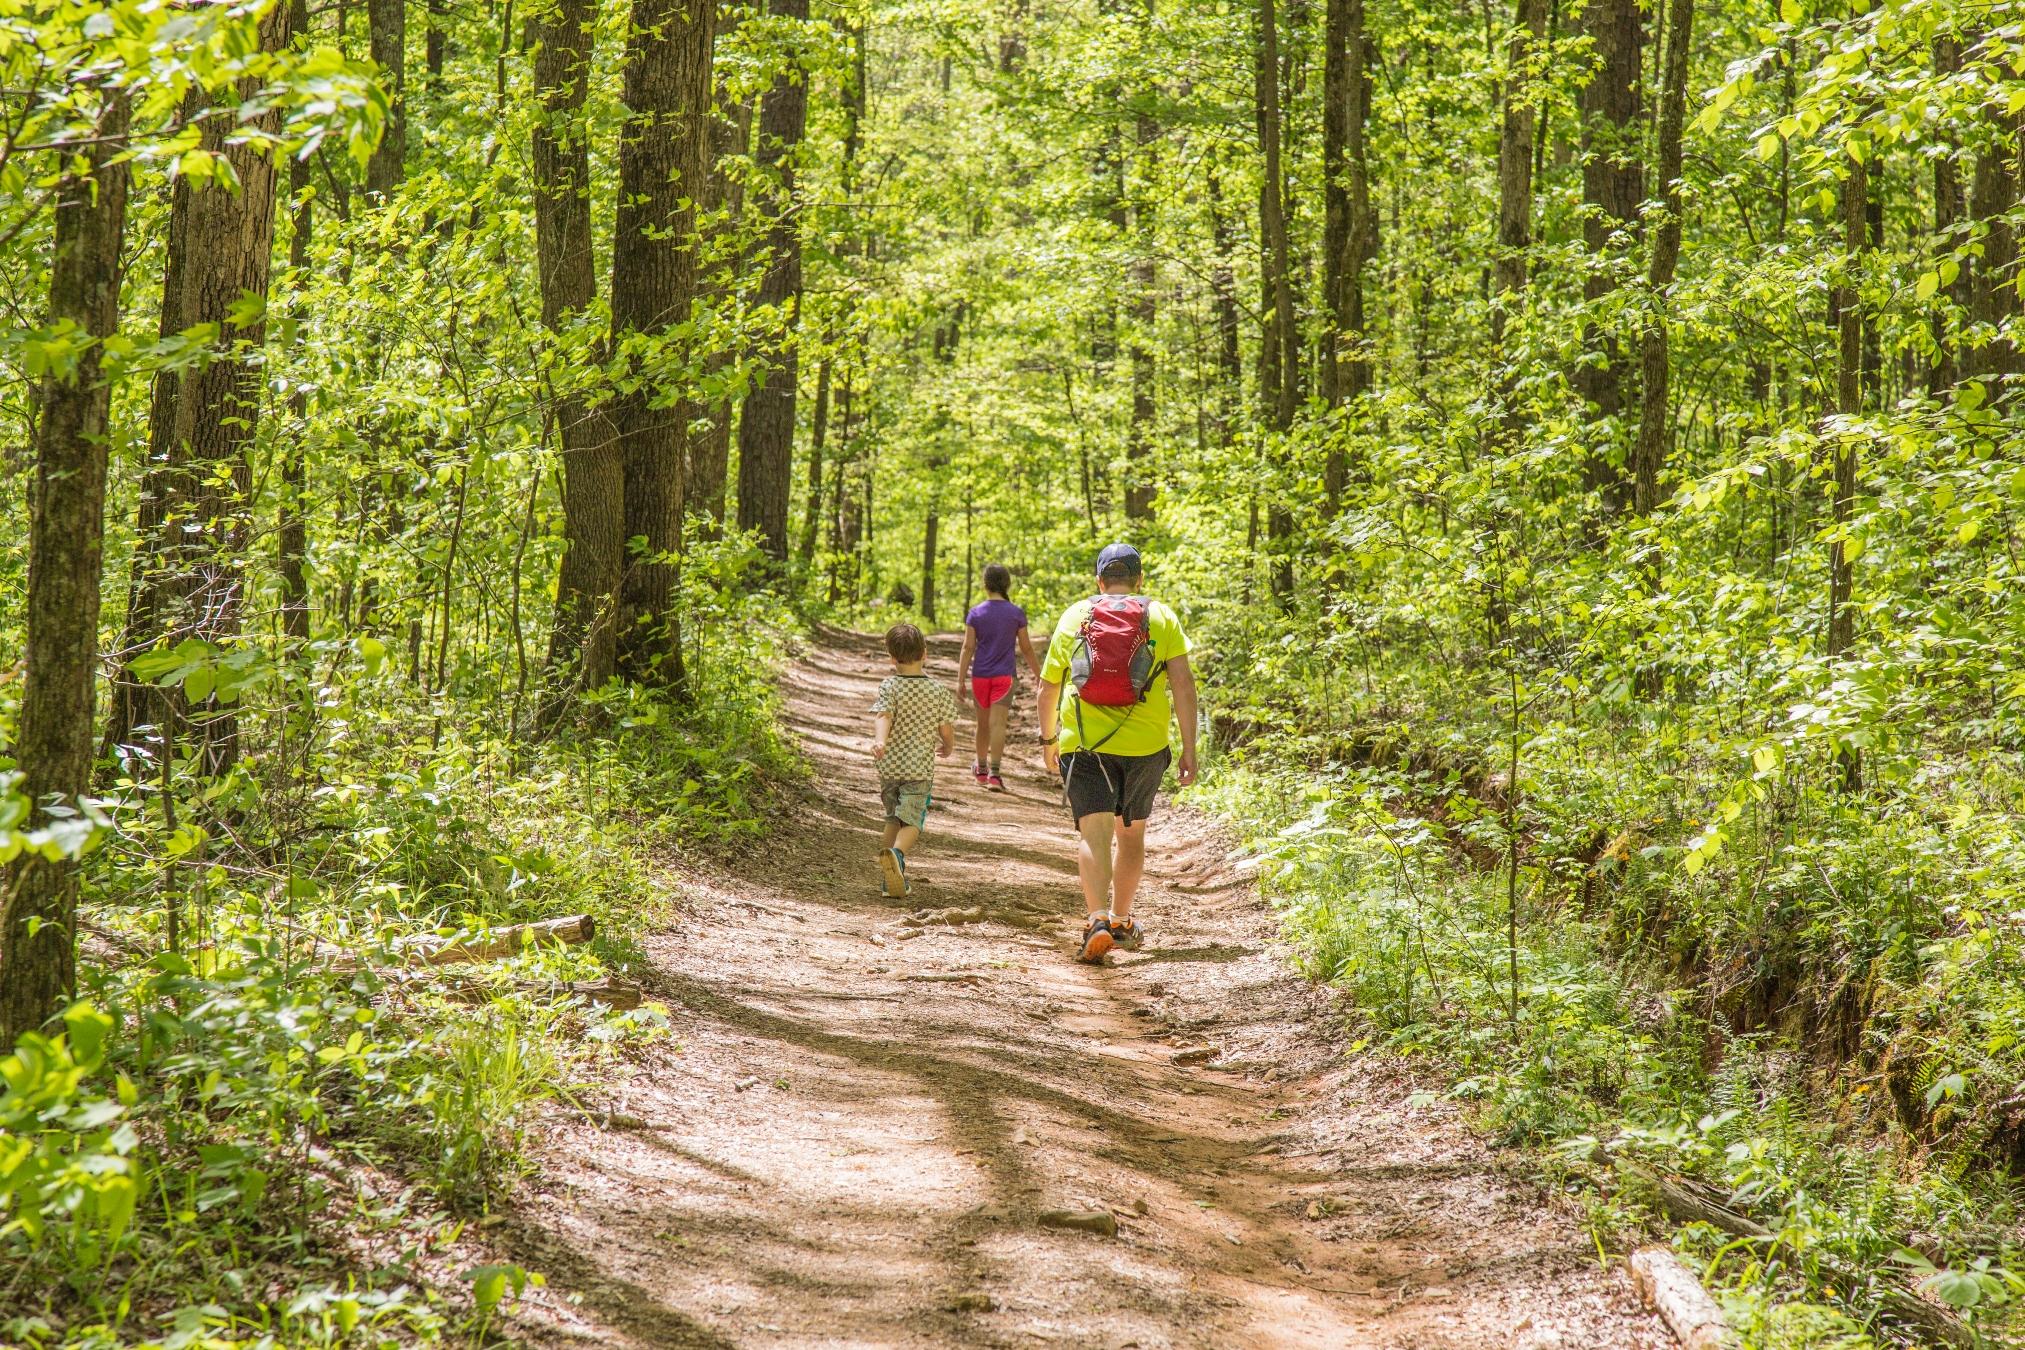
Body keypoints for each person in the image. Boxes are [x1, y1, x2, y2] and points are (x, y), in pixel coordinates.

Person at [1037, 543, 1198, 963]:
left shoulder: (1076, 615)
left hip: (1085, 742)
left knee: (1094, 832)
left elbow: (1048, 687)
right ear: (1139, 579)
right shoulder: (1160, 616)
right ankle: (1123, 920)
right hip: (1145, 745)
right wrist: (1189, 748)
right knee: (1131, 834)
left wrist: (1048, 739)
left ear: (1099, 580)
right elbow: (1183, 684)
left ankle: (1096, 920)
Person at [871, 622, 956, 898]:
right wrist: (948, 744)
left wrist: (881, 741)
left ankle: (888, 876)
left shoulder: (889, 686)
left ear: (892, 657)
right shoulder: (937, 690)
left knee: (892, 817)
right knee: (913, 821)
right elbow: (945, 727)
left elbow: (883, 715)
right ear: (925, 654)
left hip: (890, 766)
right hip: (919, 768)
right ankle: (897, 854)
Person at [955, 562, 1041, 792]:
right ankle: (995, 774)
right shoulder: (1016, 613)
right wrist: (1038, 674)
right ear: (1007, 584)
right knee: (998, 725)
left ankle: (981, 769)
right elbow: (1027, 648)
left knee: (982, 724)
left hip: (980, 676)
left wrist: (960, 679)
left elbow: (967, 647)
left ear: (985, 584)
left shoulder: (976, 613)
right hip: (1004, 677)